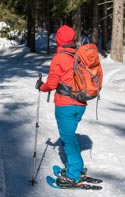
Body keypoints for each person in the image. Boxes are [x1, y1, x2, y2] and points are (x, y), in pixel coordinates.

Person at [35, 25, 87, 187]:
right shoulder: (79, 54)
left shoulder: (59, 57)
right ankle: (76, 168)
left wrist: (41, 86)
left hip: (66, 104)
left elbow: (51, 84)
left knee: (68, 139)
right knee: (70, 137)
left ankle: (73, 176)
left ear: (58, 39)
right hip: (81, 103)